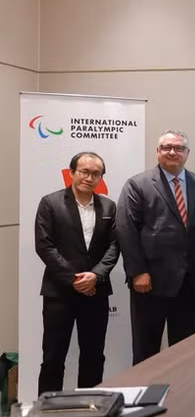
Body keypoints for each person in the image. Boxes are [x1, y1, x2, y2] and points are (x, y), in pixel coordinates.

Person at [116, 129, 195, 364]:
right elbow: (125, 229)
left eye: (179, 148)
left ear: (187, 153)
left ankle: (181, 398)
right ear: (157, 151)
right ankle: (143, 399)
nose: (173, 152)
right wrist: (138, 272)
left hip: (189, 284)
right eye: (167, 148)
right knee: (145, 351)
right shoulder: (138, 184)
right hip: (149, 284)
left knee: (183, 353)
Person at [34, 152, 120, 394]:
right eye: (84, 171)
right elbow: (44, 246)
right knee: (53, 357)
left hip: (96, 291)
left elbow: (115, 246)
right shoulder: (50, 203)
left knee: (93, 356)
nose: (89, 177)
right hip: (59, 293)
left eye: (96, 174)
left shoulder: (109, 206)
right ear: (71, 172)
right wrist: (75, 279)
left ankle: (90, 407)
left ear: (101, 177)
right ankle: (48, 410)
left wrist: (96, 275)